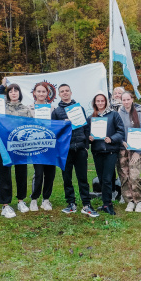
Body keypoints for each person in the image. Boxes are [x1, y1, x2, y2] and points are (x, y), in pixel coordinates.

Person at [51, 84, 99, 217]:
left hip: (80, 148)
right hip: (65, 150)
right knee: (67, 178)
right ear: (59, 95)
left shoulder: (79, 108)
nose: (65, 93)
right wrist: (63, 124)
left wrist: (85, 144)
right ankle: (71, 203)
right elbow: (53, 131)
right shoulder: (56, 112)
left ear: (71, 92)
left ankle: (86, 204)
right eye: (62, 91)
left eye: (67, 91)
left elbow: (86, 127)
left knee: (82, 178)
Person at [0, 80, 33, 218]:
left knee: (21, 174)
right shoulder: (1, 108)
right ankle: (5, 205)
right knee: (5, 175)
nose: (13, 93)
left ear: (19, 93)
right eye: (10, 91)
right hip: (5, 146)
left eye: (16, 90)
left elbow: (32, 127)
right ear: (7, 94)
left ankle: (21, 201)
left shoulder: (26, 109)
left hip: (21, 147)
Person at [88, 91, 125, 215]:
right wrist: (90, 138)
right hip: (97, 151)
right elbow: (87, 133)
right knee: (102, 179)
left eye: (102, 101)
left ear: (106, 102)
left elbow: (121, 131)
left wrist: (112, 139)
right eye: (97, 101)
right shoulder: (91, 117)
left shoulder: (114, 115)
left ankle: (108, 204)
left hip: (110, 151)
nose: (100, 103)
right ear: (94, 102)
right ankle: (105, 203)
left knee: (108, 178)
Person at [28, 82, 56, 211]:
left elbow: (57, 125)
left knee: (50, 174)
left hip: (50, 147)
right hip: (36, 147)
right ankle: (34, 199)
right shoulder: (29, 108)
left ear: (47, 94)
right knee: (38, 174)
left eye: (43, 92)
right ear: (34, 93)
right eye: (38, 91)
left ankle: (46, 199)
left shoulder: (52, 109)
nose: (41, 94)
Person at [117, 91, 141, 212]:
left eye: (128, 99)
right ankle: (129, 201)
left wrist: (138, 151)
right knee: (124, 177)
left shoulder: (138, 114)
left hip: (135, 151)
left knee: (134, 176)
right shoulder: (118, 114)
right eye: (123, 100)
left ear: (132, 99)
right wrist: (121, 141)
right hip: (122, 150)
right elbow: (116, 131)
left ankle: (139, 201)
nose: (126, 102)